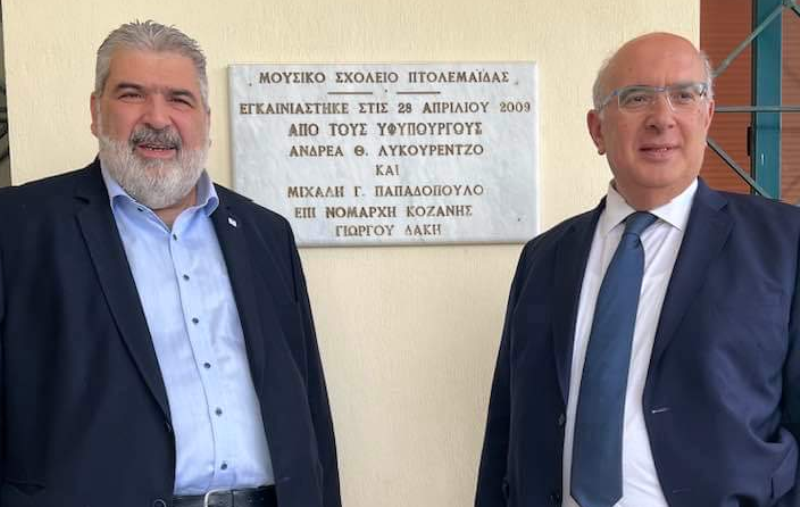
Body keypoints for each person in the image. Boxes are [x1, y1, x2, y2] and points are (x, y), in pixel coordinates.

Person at [0, 20, 340, 507]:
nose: (157, 118)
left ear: (205, 118)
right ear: (96, 111)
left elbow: (310, 408)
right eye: (131, 94)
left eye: (179, 99)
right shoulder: (17, 227)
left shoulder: (265, 233)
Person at [475, 32, 800, 507]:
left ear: (707, 116)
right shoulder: (543, 258)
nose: (662, 118)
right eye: (636, 98)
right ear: (597, 130)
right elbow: (505, 427)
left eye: (684, 95)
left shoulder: (784, 243)